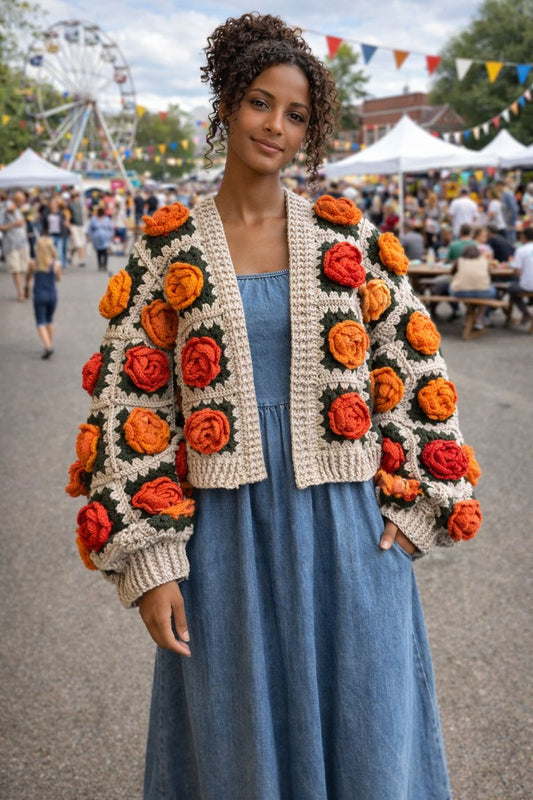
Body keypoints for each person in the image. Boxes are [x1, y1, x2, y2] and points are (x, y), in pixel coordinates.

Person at [66, 13, 482, 800]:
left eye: (295, 115)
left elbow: (414, 359)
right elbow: (131, 396)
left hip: (348, 535)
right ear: (226, 104)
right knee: (234, 737)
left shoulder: (347, 237)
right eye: (261, 103)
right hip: (226, 538)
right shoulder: (168, 249)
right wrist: (151, 563)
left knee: (367, 723)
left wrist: (420, 505)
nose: (275, 126)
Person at [25, 215, 62, 358]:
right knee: (50, 319)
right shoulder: (56, 264)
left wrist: (27, 287)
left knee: (40, 321)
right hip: (52, 295)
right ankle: (49, 344)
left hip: (39, 295)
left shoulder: (33, 263)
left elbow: (28, 278)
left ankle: (47, 345)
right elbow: (58, 279)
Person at [449, 244, 498, 330]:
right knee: (490, 291)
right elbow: (489, 274)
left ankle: (469, 313)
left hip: (461, 292)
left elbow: (451, 273)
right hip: (483, 292)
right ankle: (479, 317)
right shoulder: (484, 260)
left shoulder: (459, 260)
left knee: (452, 287)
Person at [0, 191, 31, 301]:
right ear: (16, 200)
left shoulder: (20, 209)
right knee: (16, 269)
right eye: (21, 200)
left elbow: (23, 223)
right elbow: (1, 226)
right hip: (11, 244)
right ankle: (20, 293)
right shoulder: (4, 209)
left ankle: (27, 285)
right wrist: (13, 224)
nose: (23, 202)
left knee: (27, 268)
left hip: (23, 242)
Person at [507, 225, 533, 324]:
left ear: (524, 237)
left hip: (527, 285)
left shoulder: (521, 250)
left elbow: (517, 272)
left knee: (511, 288)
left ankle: (525, 312)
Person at [87, 207, 114, 271]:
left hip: (105, 238)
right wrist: (90, 236)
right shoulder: (94, 219)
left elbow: (111, 228)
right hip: (97, 239)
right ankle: (100, 265)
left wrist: (111, 235)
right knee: (99, 252)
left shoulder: (106, 219)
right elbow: (90, 228)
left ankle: (105, 265)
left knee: (105, 252)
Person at [68, 189, 86, 267]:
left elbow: (84, 214)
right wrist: (70, 228)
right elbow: (68, 217)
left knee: (77, 244)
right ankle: (81, 260)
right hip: (74, 225)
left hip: (80, 225)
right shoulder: (69, 205)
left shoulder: (80, 204)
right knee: (79, 243)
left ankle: (70, 257)